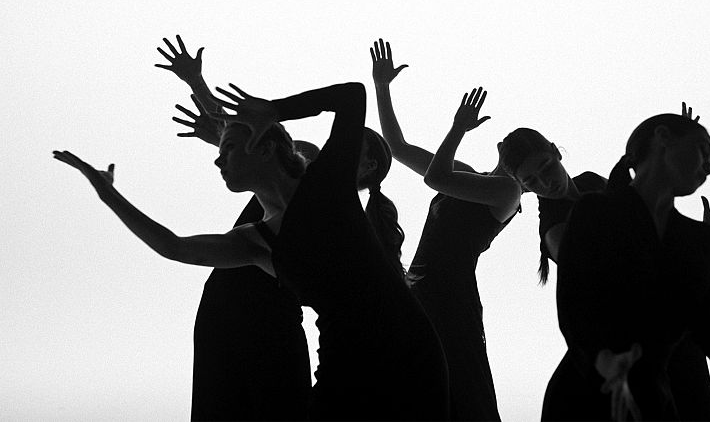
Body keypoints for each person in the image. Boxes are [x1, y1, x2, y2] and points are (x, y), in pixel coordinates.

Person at [55, 81, 449, 420]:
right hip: (342, 365)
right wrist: (108, 195)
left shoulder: (329, 185)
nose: (217, 156)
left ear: (263, 148)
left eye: (227, 146)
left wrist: (276, 110)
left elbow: (352, 95)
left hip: (407, 355)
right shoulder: (255, 240)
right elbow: (172, 246)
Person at [541, 113, 710, 421]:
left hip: (659, 399)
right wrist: (604, 361)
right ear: (663, 137)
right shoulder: (593, 213)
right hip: (586, 397)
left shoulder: (701, 240)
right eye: (702, 149)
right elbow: (575, 303)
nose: (709, 168)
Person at [372, 39, 546, 420]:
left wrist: (456, 129)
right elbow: (397, 148)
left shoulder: (506, 192)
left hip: (449, 297)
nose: (535, 180)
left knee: (455, 389)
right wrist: (382, 88)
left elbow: (435, 178)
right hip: (420, 288)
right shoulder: (467, 176)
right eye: (533, 168)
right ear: (504, 154)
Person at [158, 35, 313, 420]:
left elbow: (241, 133)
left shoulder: (319, 196)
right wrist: (196, 82)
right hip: (225, 307)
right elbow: (237, 131)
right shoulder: (269, 181)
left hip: (272, 316)